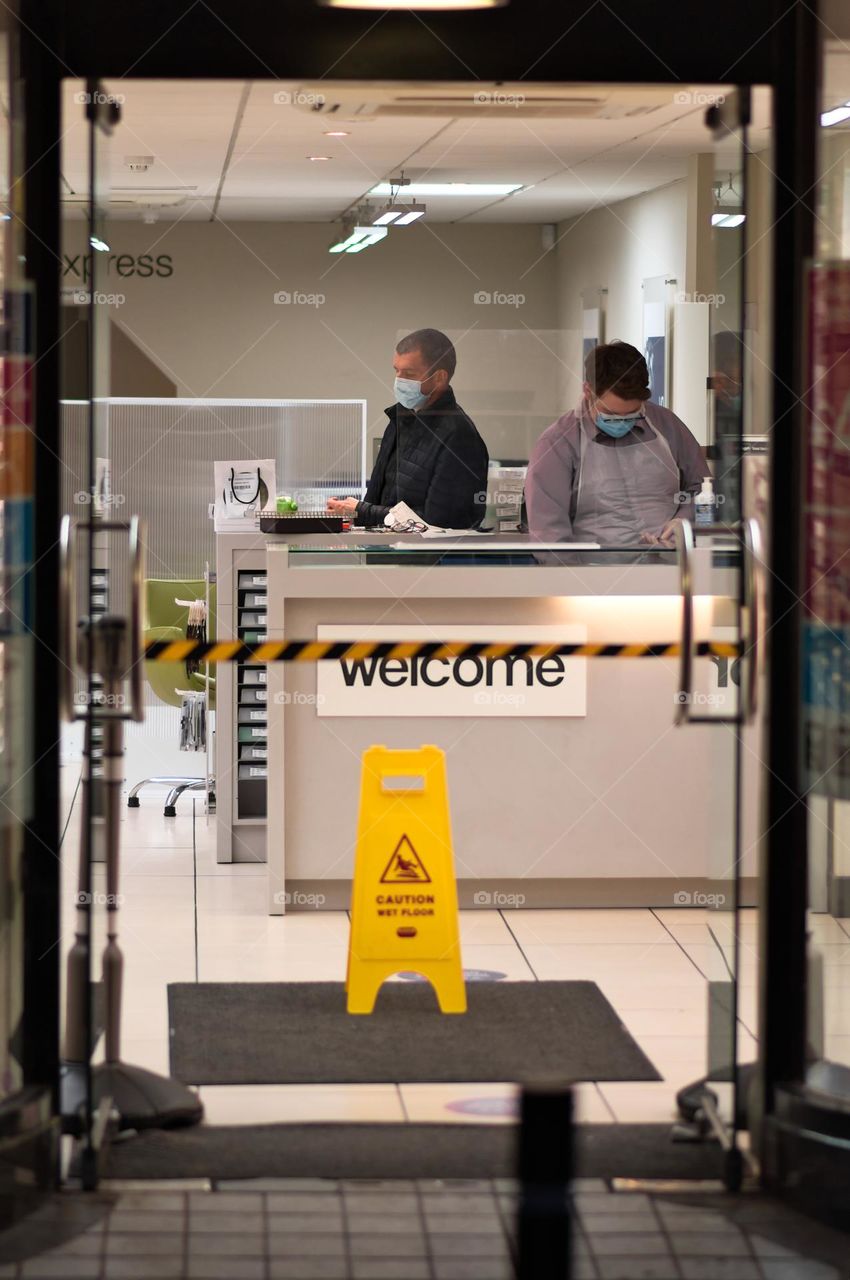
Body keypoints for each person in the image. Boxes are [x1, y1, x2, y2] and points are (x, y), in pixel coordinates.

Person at [525, 341, 706, 547]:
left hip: (669, 567)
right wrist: (573, 577)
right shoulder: (557, 443)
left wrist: (683, 520)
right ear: (588, 391)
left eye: (632, 414)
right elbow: (549, 534)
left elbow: (703, 488)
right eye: (611, 414)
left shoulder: (668, 426)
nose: (622, 421)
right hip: (591, 571)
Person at [327, 328, 489, 529]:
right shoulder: (400, 418)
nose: (399, 380)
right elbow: (380, 498)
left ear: (439, 378)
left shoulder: (459, 436)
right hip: (389, 552)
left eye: (409, 374)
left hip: (427, 558)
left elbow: (439, 523)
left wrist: (362, 511)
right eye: (397, 371)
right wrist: (354, 513)